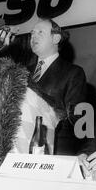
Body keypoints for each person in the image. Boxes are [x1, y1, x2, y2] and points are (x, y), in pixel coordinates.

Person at [29, 17, 87, 155]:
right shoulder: (22, 72)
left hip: (56, 150)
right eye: (32, 33)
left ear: (55, 38)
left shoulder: (73, 72)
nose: (33, 37)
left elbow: (76, 118)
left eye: (40, 32)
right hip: (20, 147)